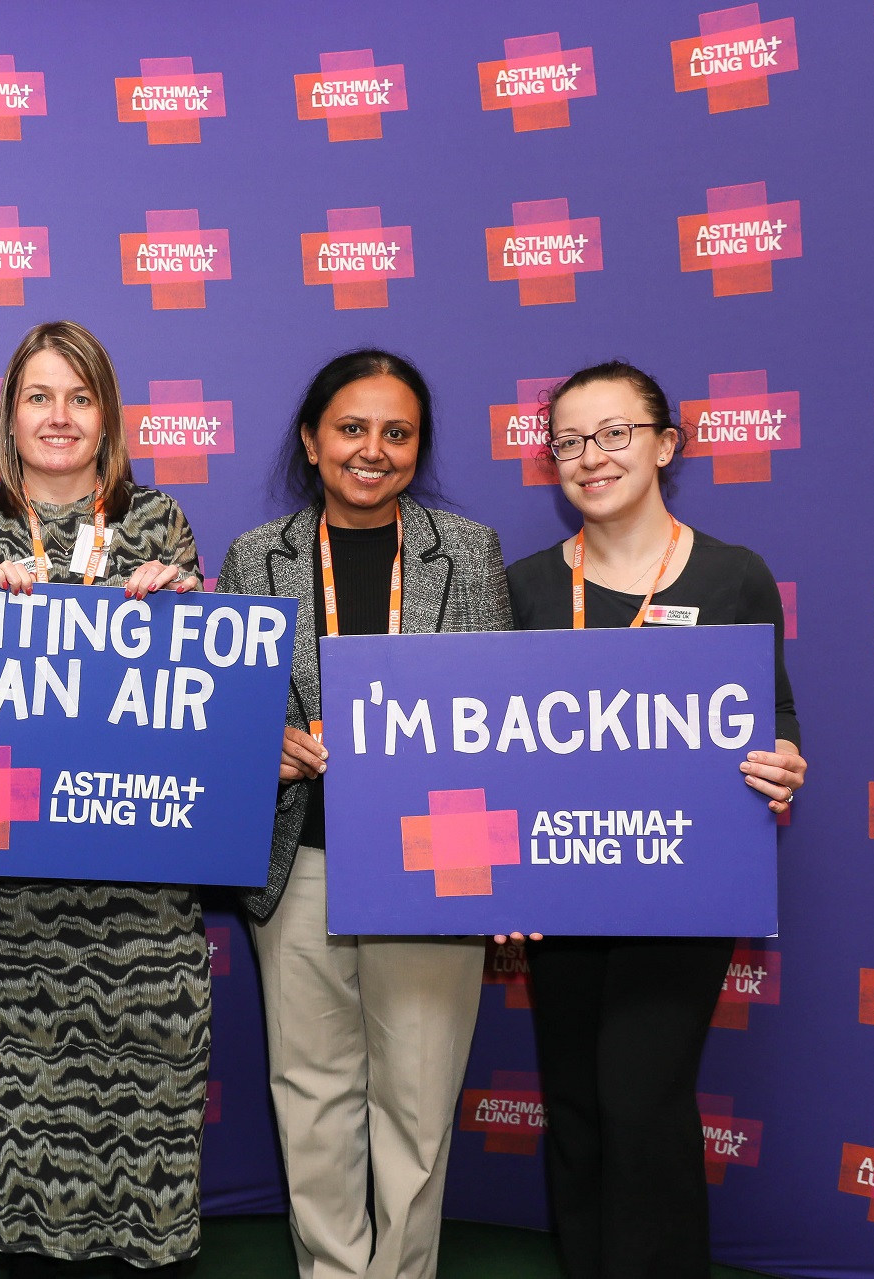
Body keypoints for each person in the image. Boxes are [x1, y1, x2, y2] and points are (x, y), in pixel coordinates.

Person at [502, 362, 806, 1279]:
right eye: (568, 440)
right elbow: (483, 752)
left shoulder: (733, 575)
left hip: (683, 888)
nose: (590, 458)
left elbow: (776, 717)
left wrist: (785, 763)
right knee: (579, 1103)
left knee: (643, 1099)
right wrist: (498, 877)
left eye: (614, 433)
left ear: (666, 445)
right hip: (558, 892)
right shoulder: (519, 589)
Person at [215, 349, 511, 1279]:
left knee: (418, 1105)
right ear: (312, 441)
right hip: (300, 859)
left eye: (396, 432)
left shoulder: (468, 551)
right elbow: (223, 719)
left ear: (417, 449)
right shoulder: (252, 556)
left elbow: (496, 720)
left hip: (435, 863)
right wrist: (267, 748)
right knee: (312, 1096)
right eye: (351, 428)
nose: (372, 450)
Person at [0, 320, 205, 1277]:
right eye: (38, 396)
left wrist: (187, 607)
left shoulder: (161, 521)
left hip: (143, 881)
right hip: (8, 897)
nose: (59, 416)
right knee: (21, 1131)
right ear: (8, 415)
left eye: (79, 398)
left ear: (108, 415)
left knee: (149, 1123)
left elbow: (205, 704)